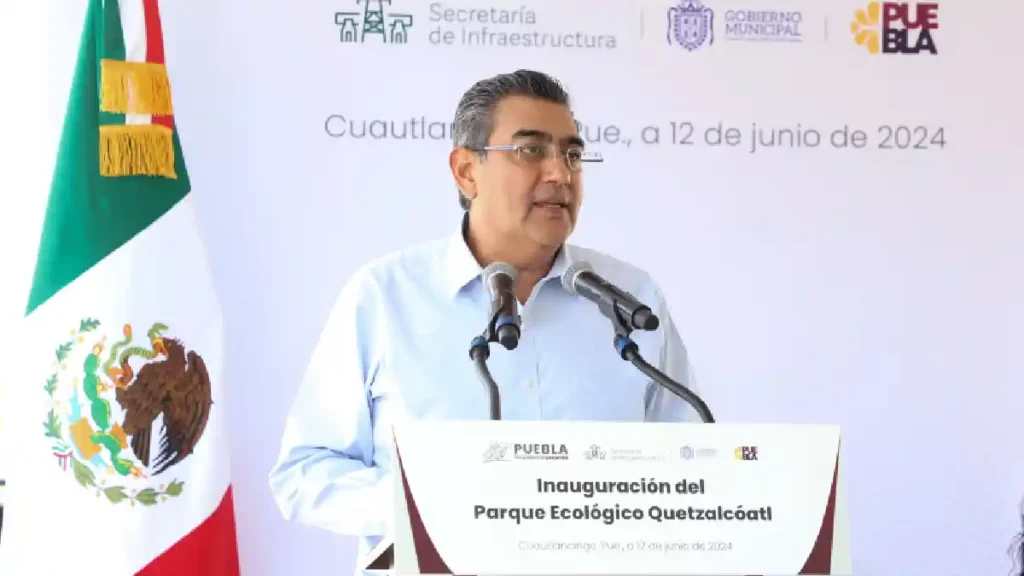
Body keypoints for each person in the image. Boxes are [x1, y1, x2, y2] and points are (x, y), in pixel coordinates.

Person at [268, 69, 702, 574]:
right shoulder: (386, 296)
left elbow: (692, 462)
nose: (560, 174)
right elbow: (304, 472)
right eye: (531, 150)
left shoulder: (631, 299)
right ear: (466, 171)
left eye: (572, 155)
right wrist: (435, 507)